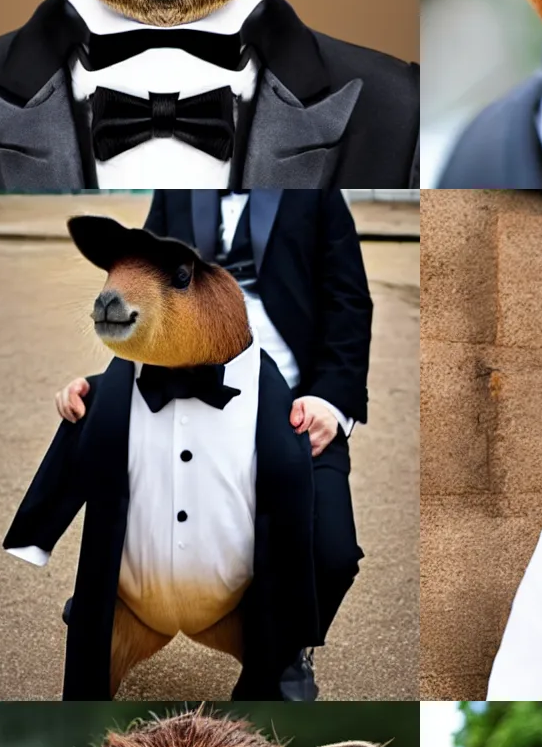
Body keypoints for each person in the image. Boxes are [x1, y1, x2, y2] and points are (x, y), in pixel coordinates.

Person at [54, 190, 370, 700]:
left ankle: (286, 652)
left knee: (332, 554)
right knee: (119, 475)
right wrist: (99, 385)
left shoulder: (318, 192)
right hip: (182, 380)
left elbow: (348, 299)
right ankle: (109, 603)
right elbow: (143, 278)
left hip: (291, 399)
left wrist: (331, 405)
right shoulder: (178, 186)